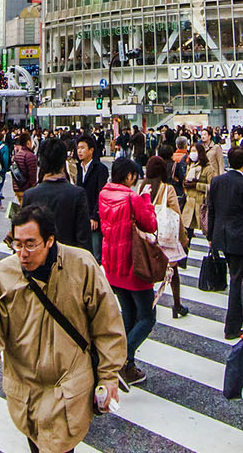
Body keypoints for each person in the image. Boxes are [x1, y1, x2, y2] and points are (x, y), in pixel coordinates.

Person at [0, 203, 124, 453]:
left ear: (49, 241)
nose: (22, 253)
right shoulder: (3, 274)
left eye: (30, 244)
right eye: (17, 243)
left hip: (69, 387)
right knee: (36, 444)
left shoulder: (81, 265)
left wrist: (109, 375)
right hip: (25, 390)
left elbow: (107, 324)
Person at [98, 156, 159, 384]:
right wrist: (146, 198)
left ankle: (128, 367)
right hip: (134, 265)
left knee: (129, 314)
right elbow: (150, 224)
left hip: (113, 265)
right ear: (130, 176)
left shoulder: (104, 193)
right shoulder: (132, 197)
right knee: (147, 317)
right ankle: (122, 360)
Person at [207, 145, 243, 338]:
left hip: (221, 235)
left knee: (236, 279)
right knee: (238, 281)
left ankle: (235, 323)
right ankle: (232, 327)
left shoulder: (217, 181)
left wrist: (210, 237)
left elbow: (211, 210)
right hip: (240, 236)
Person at [23, 137, 91, 251]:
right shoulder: (77, 194)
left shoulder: (30, 195)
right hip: (68, 260)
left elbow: (24, 236)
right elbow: (84, 239)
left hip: (39, 261)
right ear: (63, 162)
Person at [141, 155, 188, 318]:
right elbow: (177, 215)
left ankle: (147, 305)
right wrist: (183, 238)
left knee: (148, 271)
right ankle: (176, 305)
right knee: (173, 271)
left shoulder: (143, 186)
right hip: (165, 236)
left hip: (148, 236)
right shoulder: (168, 189)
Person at [73, 133, 108, 260]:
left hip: (94, 218)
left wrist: (95, 216)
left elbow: (101, 194)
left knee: (95, 254)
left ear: (91, 150)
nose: (79, 151)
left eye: (82, 148)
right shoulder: (77, 168)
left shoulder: (100, 169)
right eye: (78, 148)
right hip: (80, 216)